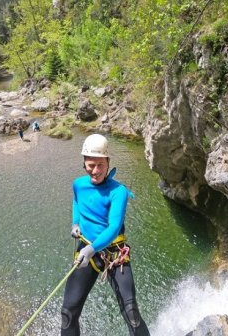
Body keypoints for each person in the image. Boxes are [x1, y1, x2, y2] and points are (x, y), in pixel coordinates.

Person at [60, 134, 150, 336]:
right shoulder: (78, 184)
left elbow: (114, 226)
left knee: (131, 312)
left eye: (100, 165)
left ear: (108, 163)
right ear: (84, 163)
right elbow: (77, 201)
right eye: (91, 165)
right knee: (68, 312)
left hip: (114, 254)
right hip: (86, 251)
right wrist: (75, 223)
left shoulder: (118, 192)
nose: (96, 171)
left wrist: (92, 249)